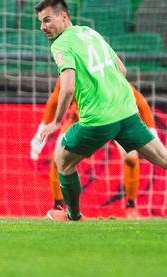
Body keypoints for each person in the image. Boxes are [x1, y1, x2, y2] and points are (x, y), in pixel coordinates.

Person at [35, 0, 167, 222]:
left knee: (62, 160)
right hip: (127, 112)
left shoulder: (60, 44)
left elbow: (67, 88)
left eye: (48, 20)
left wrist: (55, 122)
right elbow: (122, 69)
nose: (43, 27)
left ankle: (74, 216)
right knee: (165, 158)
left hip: (98, 120)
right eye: (41, 22)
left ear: (64, 16)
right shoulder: (90, 32)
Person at [31, 78, 157, 218]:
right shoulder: (69, 76)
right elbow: (54, 101)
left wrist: (153, 136)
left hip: (114, 121)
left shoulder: (107, 74)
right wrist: (39, 134)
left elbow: (141, 104)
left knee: (131, 159)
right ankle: (58, 206)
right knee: (57, 159)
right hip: (81, 122)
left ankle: (131, 206)